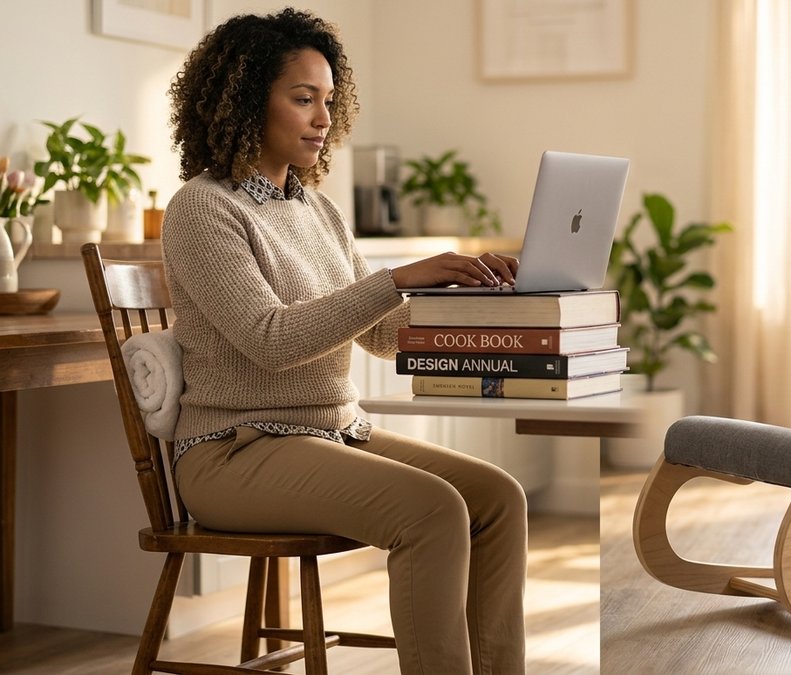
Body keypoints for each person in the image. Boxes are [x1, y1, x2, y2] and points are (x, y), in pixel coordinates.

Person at [162, 8, 526, 673]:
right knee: (433, 510)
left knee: (498, 498)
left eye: (328, 99)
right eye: (302, 98)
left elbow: (384, 334)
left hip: (331, 433)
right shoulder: (202, 207)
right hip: (232, 453)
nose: (323, 117)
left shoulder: (317, 209)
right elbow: (269, 339)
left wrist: (473, 303)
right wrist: (396, 278)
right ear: (245, 103)